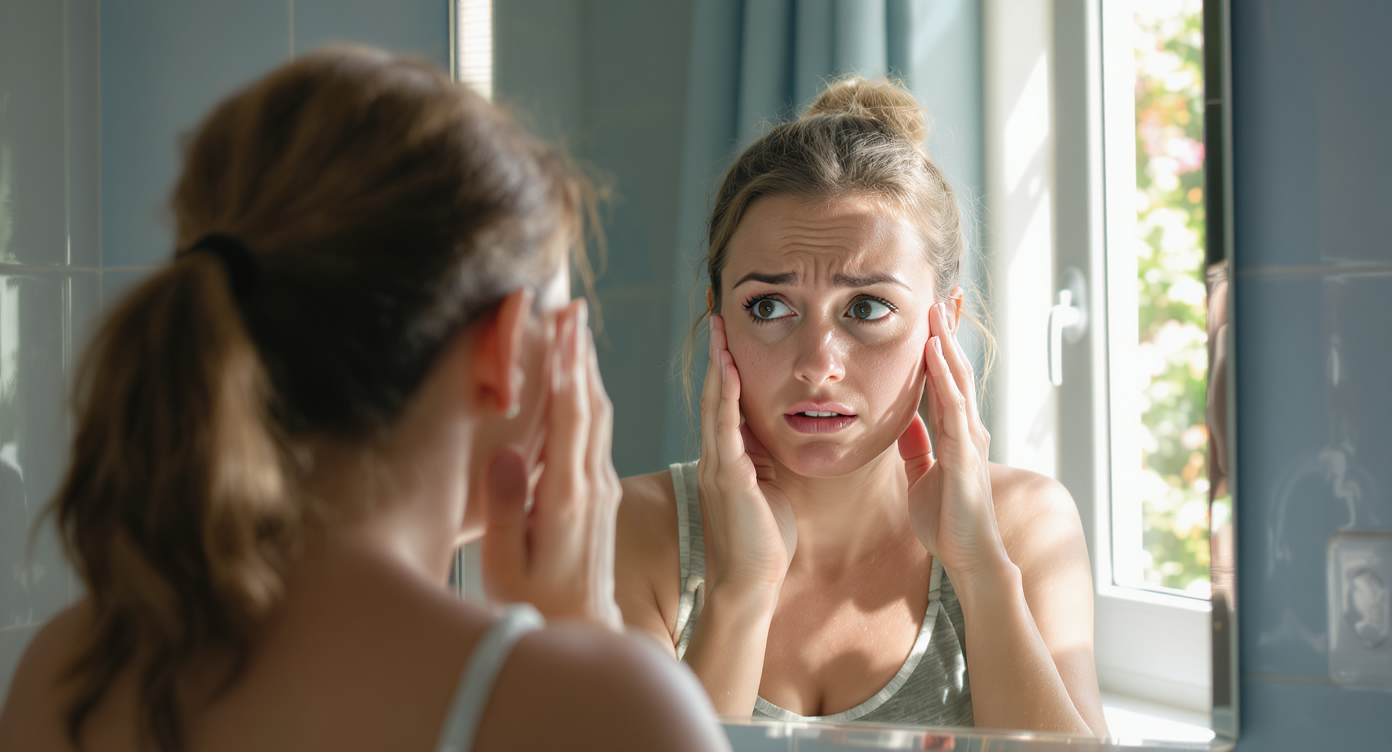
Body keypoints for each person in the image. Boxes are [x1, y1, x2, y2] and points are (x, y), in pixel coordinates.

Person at [0, 48, 727, 752]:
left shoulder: (67, 676)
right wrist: (586, 642)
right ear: (503, 348)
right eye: (566, 328)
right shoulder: (602, 711)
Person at [615, 77, 1109, 735]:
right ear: (719, 318)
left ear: (945, 321)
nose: (819, 363)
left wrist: (981, 571)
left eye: (867, 308)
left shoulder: (1027, 527)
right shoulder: (635, 532)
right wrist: (742, 592)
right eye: (768, 306)